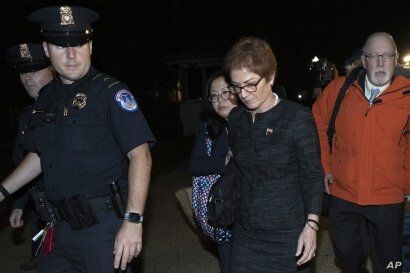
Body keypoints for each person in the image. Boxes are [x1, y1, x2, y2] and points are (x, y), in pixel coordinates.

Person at [0, 5, 155, 273]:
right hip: (57, 229)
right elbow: (39, 154)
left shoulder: (109, 93)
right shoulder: (46, 99)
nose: (71, 55)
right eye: (60, 46)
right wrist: (3, 191)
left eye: (79, 44)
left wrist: (133, 220)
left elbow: (140, 155)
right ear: (47, 51)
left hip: (101, 230)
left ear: (91, 46)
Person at [222, 37, 324, 273]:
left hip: (288, 233)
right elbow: (238, 167)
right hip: (245, 233)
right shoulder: (237, 119)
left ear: (270, 76)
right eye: (237, 87)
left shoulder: (297, 118)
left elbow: (312, 174)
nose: (243, 94)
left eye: (250, 84)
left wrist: (311, 225)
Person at [312, 32, 410, 273]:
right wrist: (325, 166)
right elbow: (316, 124)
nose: (380, 61)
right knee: (347, 258)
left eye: (386, 55)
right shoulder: (340, 90)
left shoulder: (407, 95)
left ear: (396, 59)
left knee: (390, 263)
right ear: (364, 61)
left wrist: (406, 181)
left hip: (388, 196)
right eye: (373, 55)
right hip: (343, 193)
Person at [5, 43, 54, 270]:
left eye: (35, 70)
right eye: (24, 72)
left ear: (52, 69)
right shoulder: (27, 116)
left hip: (74, 209)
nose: (28, 78)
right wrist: (19, 204)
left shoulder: (69, 107)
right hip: (41, 207)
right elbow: (21, 160)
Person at [190, 71, 238, 273]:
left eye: (226, 93)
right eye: (214, 95)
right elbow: (195, 165)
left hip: (255, 210)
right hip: (225, 208)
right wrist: (225, 160)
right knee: (229, 264)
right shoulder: (209, 128)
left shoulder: (255, 121)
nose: (220, 100)